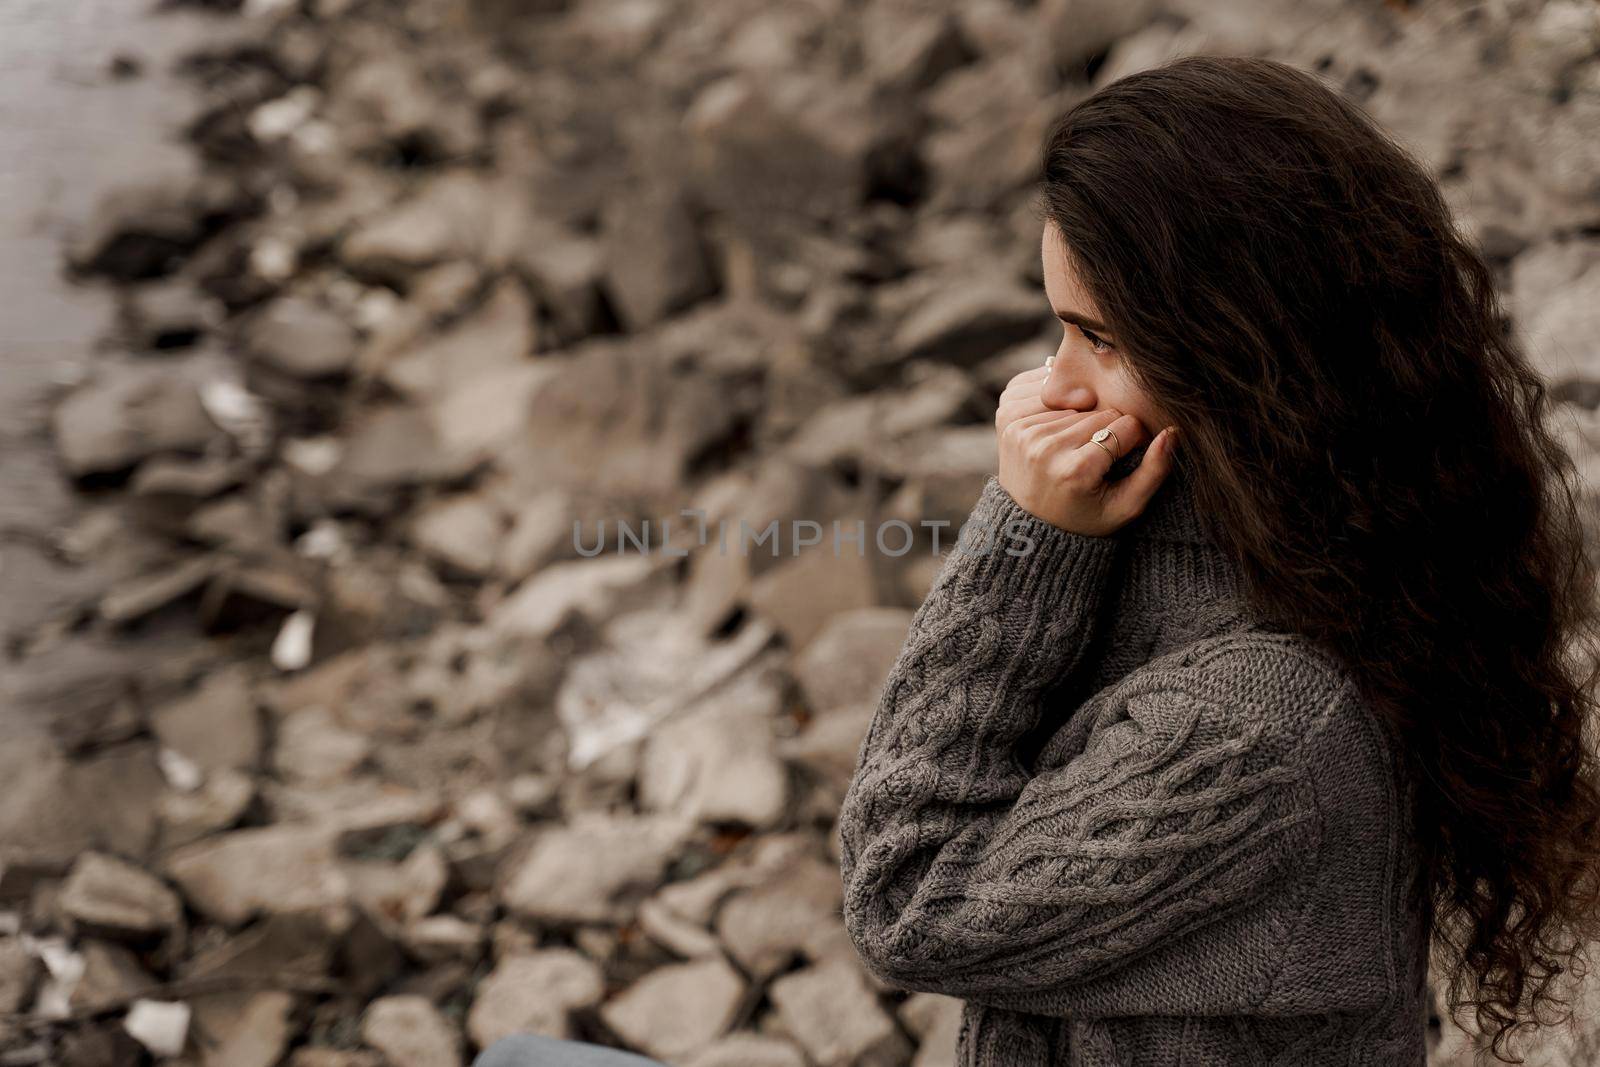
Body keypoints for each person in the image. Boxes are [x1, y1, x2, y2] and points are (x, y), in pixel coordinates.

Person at [836, 54, 1600, 1067]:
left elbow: (906, 892)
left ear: (1235, 348)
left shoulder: (1262, 725)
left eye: (1094, 338)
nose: (1047, 382)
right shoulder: (1330, 550)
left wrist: (1025, 538)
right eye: (1056, 327)